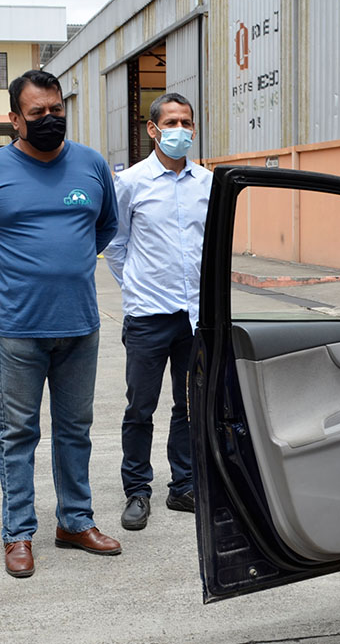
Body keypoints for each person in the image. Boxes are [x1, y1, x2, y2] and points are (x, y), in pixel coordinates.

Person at [0, 69, 120, 578]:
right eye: (37, 113)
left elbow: (107, 225)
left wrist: (68, 266)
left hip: (80, 326)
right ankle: (18, 532)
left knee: (75, 430)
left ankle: (74, 521)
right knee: (18, 434)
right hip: (19, 329)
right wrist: (8, 276)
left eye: (57, 110)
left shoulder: (90, 165)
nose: (50, 119)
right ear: (14, 118)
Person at [103, 92, 210, 530]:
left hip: (195, 316)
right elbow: (114, 242)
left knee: (188, 406)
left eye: (186, 122)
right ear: (152, 129)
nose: (180, 130)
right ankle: (138, 490)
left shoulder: (207, 183)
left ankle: (183, 486)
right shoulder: (130, 182)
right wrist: (135, 287)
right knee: (140, 407)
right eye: (172, 123)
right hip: (149, 316)